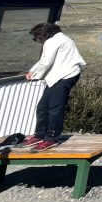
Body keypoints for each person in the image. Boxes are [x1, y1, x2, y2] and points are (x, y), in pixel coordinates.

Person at [21, 23, 86, 151]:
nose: (37, 41)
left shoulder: (51, 42)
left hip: (64, 76)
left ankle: (51, 138)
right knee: (43, 106)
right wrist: (32, 71)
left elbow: (46, 62)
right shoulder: (63, 38)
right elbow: (44, 60)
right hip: (63, 76)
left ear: (43, 34)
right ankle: (40, 135)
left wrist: (34, 76)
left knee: (54, 108)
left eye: (37, 38)